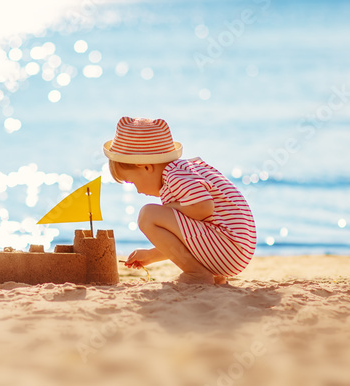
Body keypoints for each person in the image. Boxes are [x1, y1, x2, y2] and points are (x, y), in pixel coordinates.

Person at [104, 117, 256, 284]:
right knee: (156, 214)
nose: (138, 190)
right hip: (233, 250)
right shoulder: (185, 171)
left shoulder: (173, 175)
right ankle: (211, 274)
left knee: (147, 215)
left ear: (146, 167)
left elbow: (204, 207)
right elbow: (188, 236)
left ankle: (196, 273)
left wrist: (171, 207)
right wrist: (150, 255)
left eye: (132, 182)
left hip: (228, 247)